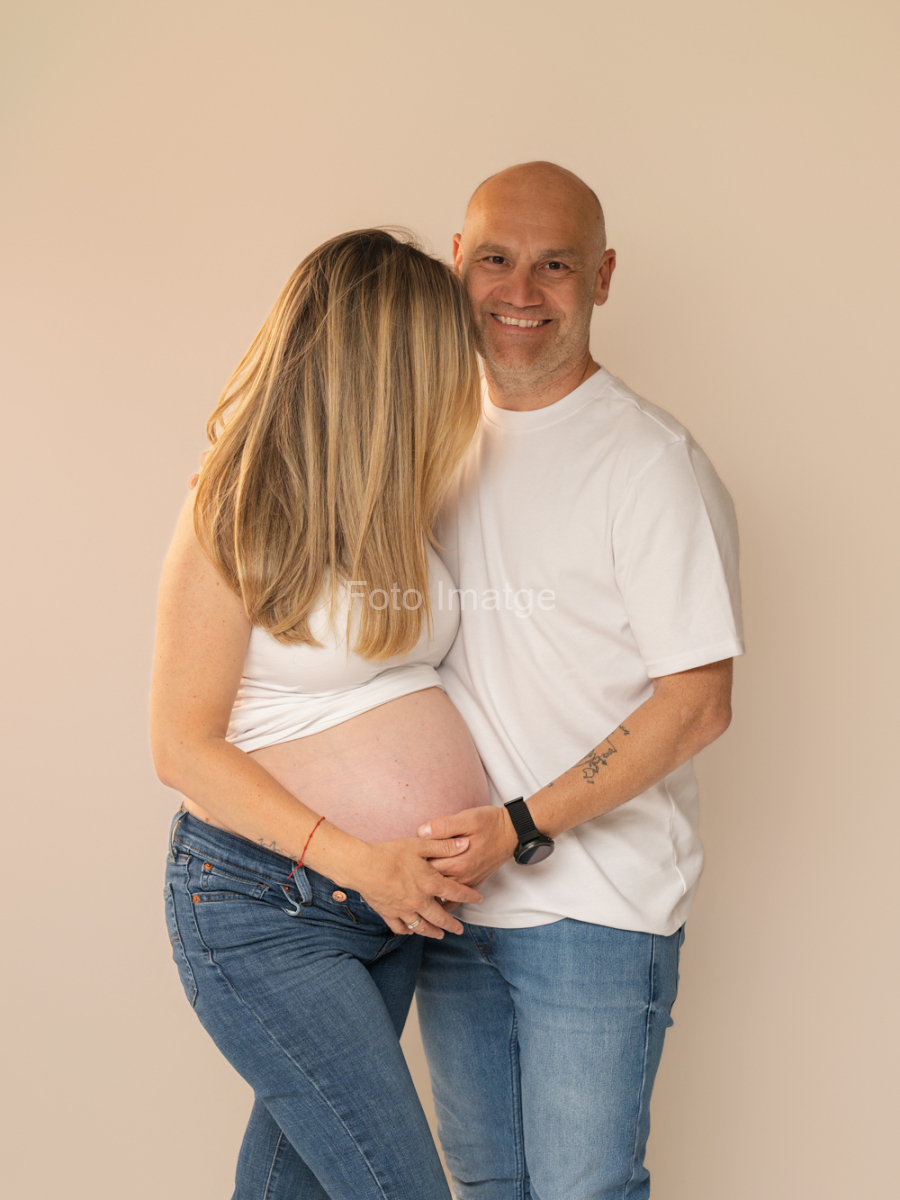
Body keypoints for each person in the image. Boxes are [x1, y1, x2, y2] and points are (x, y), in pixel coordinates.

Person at [412, 162, 745, 1199]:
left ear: (601, 277)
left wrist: (519, 824)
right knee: (486, 1190)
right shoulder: (426, 437)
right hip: (452, 904)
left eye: (555, 265)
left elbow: (697, 704)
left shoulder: (649, 463)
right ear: (457, 264)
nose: (521, 291)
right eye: (496, 259)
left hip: (596, 911)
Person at [150, 229, 490, 1200]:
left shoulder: (398, 504)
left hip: (389, 912)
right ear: (384, 367)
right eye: (441, 360)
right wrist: (361, 860)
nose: (458, 384)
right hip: (270, 907)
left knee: (293, 1186)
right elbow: (180, 747)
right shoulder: (232, 509)